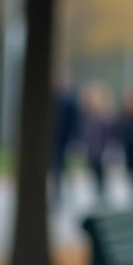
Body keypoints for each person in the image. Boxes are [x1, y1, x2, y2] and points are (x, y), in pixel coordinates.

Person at [79, 81, 115, 203]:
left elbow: (109, 137)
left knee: (102, 178)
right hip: (91, 151)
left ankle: (102, 199)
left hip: (102, 152)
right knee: (94, 177)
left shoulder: (105, 117)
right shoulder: (87, 116)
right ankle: (98, 198)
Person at [50, 73, 79, 207]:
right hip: (53, 139)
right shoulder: (53, 98)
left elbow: (74, 121)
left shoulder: (69, 99)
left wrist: (74, 139)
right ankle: (57, 194)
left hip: (64, 140)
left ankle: (63, 194)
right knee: (56, 168)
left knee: (62, 167)